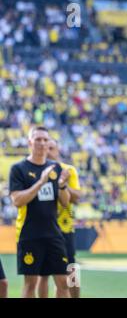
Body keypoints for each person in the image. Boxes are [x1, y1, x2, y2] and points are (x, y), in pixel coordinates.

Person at [9, 126, 71, 298]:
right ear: (30, 142)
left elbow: (65, 203)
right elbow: (17, 200)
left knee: (64, 282)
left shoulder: (55, 168)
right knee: (31, 285)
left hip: (53, 233)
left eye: (45, 139)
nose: (42, 143)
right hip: (29, 234)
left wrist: (62, 185)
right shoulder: (18, 169)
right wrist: (40, 182)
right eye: (38, 139)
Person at [37, 138, 82, 298]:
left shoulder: (68, 170)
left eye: (51, 148)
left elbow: (77, 197)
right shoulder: (37, 171)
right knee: (43, 274)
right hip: (43, 229)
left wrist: (62, 183)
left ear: (57, 150)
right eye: (46, 147)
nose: (48, 151)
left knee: (72, 269)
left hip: (65, 229)